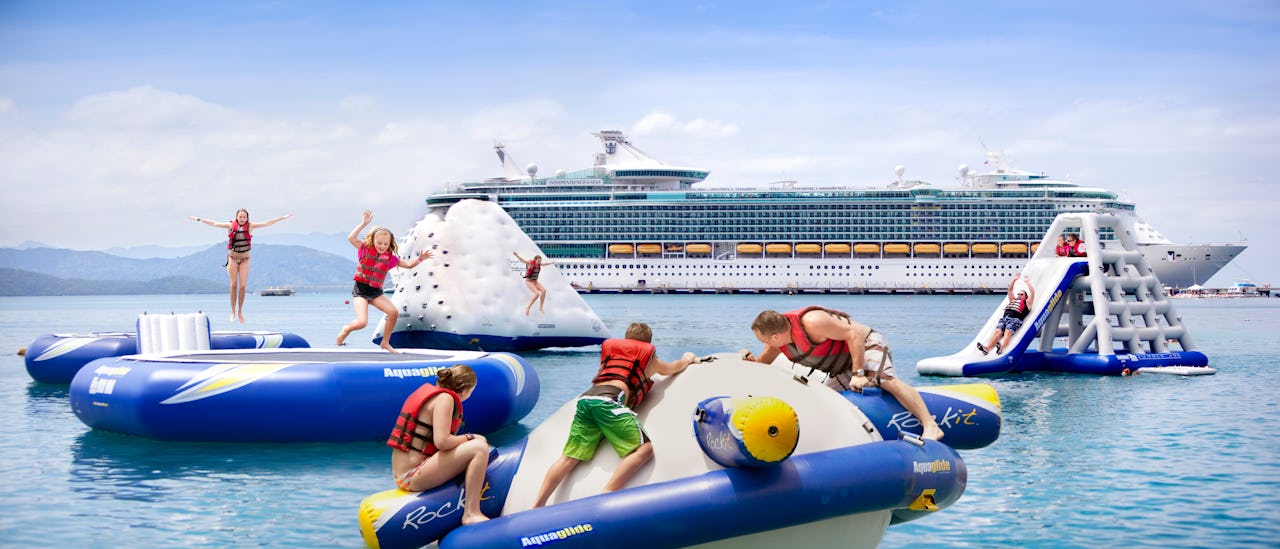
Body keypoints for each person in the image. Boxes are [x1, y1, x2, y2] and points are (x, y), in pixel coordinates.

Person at [532, 322, 698, 508]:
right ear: (647, 343)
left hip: (586, 400)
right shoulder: (649, 359)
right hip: (609, 402)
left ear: (626, 340)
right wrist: (687, 358)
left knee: (569, 458)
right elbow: (673, 368)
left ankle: (537, 506)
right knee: (644, 450)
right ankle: (607, 494)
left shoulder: (612, 355)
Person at [745, 307, 945, 441]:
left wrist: (859, 373)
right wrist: (744, 358)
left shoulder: (813, 322)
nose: (764, 344)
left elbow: (854, 334)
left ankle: (931, 425)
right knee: (818, 398)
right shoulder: (778, 343)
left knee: (882, 379)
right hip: (842, 366)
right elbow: (759, 365)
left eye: (763, 339)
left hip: (866, 345)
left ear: (775, 335)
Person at [387, 365, 491, 525]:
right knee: (479, 447)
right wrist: (471, 437)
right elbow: (442, 442)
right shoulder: (446, 399)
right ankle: (471, 512)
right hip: (412, 475)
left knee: (474, 445)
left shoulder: (433, 395)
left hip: (403, 474)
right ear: (464, 391)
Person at [336, 210, 432, 352]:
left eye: (385, 244)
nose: (382, 246)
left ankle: (385, 342)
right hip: (361, 292)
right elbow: (351, 238)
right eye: (379, 243)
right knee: (362, 322)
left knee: (393, 312)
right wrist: (363, 224)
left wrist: (420, 259)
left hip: (376, 293)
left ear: (389, 244)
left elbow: (409, 265)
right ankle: (347, 329)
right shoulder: (364, 249)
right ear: (373, 241)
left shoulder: (391, 259)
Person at [189, 209, 292, 323]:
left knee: (242, 286)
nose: (242, 219)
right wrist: (199, 219)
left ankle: (240, 311)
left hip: (245, 259)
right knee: (233, 285)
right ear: (236, 217)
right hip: (232, 258)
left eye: (244, 217)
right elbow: (214, 223)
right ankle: (233, 311)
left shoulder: (251, 226)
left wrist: (282, 217)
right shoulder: (230, 226)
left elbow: (267, 223)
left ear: (247, 218)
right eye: (240, 217)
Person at [977, 274, 1037, 356]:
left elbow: (1032, 292)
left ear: (1026, 297)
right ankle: (987, 348)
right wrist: (1014, 280)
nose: (1019, 295)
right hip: (1004, 319)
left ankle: (1001, 348)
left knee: (1007, 332)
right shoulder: (1013, 300)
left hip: (1015, 320)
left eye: (1021, 294)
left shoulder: (1028, 303)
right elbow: (1010, 290)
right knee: (997, 332)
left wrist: (1027, 282)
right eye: (1018, 294)